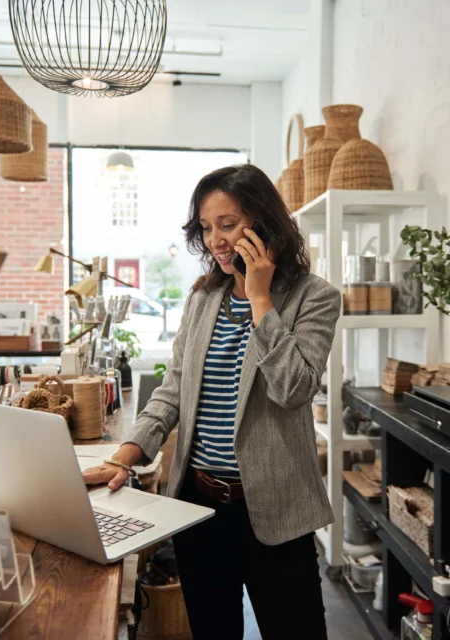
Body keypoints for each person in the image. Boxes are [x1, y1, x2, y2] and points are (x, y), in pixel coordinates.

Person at [83, 164, 341, 639]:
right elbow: (172, 391)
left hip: (278, 512)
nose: (216, 240)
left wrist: (261, 301)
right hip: (200, 511)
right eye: (206, 227)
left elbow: (295, 389)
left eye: (228, 224)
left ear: (263, 223)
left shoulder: (314, 297)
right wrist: (127, 453)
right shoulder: (203, 299)